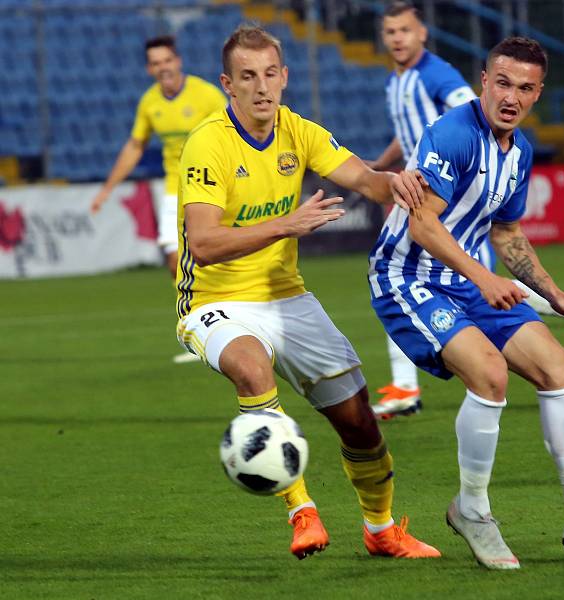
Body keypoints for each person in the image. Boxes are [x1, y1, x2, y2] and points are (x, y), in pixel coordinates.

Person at [369, 36, 564, 569]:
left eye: (525, 87)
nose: (511, 96)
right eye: (503, 83)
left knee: (561, 367)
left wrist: (555, 294)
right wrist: (482, 277)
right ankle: (471, 509)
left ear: (538, 94)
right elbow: (422, 225)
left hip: (471, 280)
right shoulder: (452, 135)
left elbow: (509, 233)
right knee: (489, 374)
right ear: (483, 83)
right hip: (409, 278)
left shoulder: (519, 151)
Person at [175, 24, 439, 562]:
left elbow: (365, 179)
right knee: (252, 369)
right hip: (213, 302)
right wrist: (284, 226)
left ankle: (382, 529)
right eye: (247, 77)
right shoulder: (208, 143)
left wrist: (408, 185)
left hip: (286, 297)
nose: (261, 87)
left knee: (359, 421)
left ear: (285, 77)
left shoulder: (298, 130)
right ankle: (302, 510)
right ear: (228, 84)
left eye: (270, 74)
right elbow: (202, 244)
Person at [368, 1, 564, 421]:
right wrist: (385, 166)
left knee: (521, 357)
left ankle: (550, 305)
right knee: (481, 356)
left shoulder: (438, 76)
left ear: (422, 33)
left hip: (455, 195)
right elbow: (412, 137)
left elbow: (472, 110)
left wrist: (448, 151)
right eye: (390, 32)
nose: (397, 39)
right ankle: (406, 385)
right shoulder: (396, 82)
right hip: (428, 208)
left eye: (405, 30)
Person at [90, 36, 227, 364]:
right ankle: (202, 329)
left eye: (167, 60)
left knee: (213, 257)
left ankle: (223, 326)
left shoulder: (206, 94)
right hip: (172, 190)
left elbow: (231, 132)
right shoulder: (149, 102)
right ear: (149, 68)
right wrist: (107, 188)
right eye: (155, 63)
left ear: (178, 61)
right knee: (174, 261)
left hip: (208, 188)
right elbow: (135, 145)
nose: (162, 67)